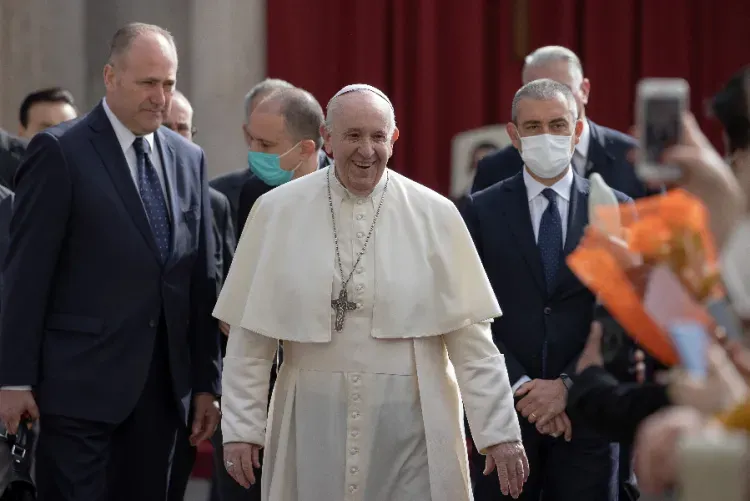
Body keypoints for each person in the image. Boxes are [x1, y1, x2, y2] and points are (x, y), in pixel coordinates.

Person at [214, 83, 528, 501]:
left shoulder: (435, 214)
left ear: (394, 140)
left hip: (411, 421)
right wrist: (241, 429)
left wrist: (500, 433)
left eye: (378, 136)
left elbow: (473, 343)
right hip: (311, 419)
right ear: (327, 138)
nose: (366, 150)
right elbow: (250, 338)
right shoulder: (277, 212)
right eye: (353, 136)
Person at [0, 22, 221, 500]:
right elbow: (26, 276)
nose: (160, 97)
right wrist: (14, 379)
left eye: (169, 83)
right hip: (77, 393)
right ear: (110, 76)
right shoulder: (59, 151)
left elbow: (199, 280)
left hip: (163, 397)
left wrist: (206, 383)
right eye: (147, 82)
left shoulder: (189, 159)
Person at [462, 79, 630, 501]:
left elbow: (622, 313)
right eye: (533, 126)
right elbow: (469, 315)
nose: (546, 136)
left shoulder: (617, 209)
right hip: (503, 420)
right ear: (513, 135)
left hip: (588, 417)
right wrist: (523, 388)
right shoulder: (479, 211)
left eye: (558, 124)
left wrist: (567, 387)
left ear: (577, 131)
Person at [163, 90, 236, 501]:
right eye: (166, 127)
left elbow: (216, 289)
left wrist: (210, 386)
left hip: (186, 387)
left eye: (182, 128)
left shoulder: (214, 203)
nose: (175, 136)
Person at [471, 46, 648, 199]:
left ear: (584, 91)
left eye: (563, 89)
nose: (551, 102)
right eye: (538, 91)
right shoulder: (494, 170)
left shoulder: (633, 158)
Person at [235, 87, 327, 234]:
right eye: (252, 139)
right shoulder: (254, 191)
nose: (253, 151)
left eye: (265, 144)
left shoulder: (343, 189)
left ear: (305, 149)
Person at [209, 78, 294, 227]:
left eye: (278, 128)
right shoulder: (219, 197)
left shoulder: (338, 186)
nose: (270, 137)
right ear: (247, 134)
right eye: (261, 132)